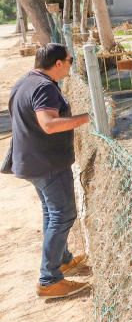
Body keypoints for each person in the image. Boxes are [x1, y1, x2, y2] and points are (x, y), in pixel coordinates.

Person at [8, 43, 91, 299]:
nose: (71, 64)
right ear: (58, 64)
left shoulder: (26, 81)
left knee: (51, 213)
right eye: (70, 60)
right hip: (47, 164)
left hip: (31, 162)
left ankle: (62, 259)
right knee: (63, 215)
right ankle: (49, 279)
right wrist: (87, 118)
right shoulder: (45, 87)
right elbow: (49, 124)